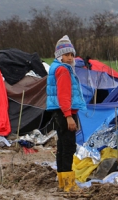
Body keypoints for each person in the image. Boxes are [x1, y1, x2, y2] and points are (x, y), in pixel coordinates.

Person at [46, 35, 86, 192]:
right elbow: (64, 95)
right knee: (68, 147)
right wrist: (69, 116)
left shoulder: (56, 67)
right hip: (65, 112)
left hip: (59, 111)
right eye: (66, 54)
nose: (69, 58)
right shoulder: (63, 70)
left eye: (71, 55)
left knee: (62, 146)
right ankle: (69, 185)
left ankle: (63, 182)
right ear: (59, 55)